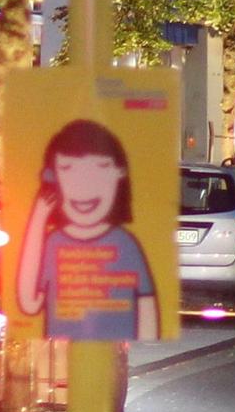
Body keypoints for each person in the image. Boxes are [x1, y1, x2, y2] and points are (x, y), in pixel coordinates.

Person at [14, 119, 160, 341]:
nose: (83, 186)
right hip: (60, 361)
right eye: (67, 169)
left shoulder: (126, 244)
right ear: (52, 179)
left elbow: (147, 309)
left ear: (119, 174)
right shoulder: (54, 241)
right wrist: (38, 218)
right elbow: (28, 302)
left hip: (113, 357)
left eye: (100, 169)